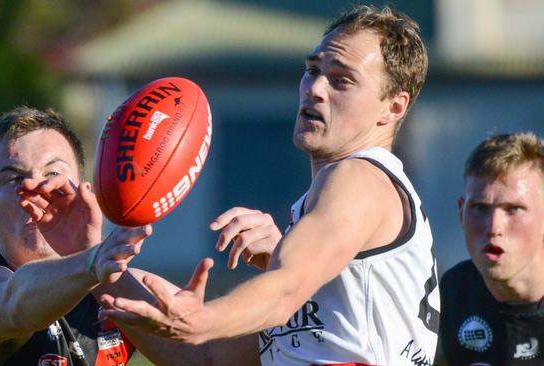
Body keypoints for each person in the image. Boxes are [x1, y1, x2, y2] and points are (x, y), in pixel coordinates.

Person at [100, 5, 440, 365]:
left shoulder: (359, 178)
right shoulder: (335, 245)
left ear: (394, 107)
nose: (315, 89)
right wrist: (94, 264)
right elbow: (210, 358)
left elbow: (285, 290)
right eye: (312, 71)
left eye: (341, 80)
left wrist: (203, 318)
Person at [0, 106, 152, 365]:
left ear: (85, 194)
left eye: (53, 174)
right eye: (14, 178)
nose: (38, 189)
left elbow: (202, 350)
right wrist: (91, 262)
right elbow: (15, 304)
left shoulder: (118, 287)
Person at [436, 133, 544, 365]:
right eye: (480, 207)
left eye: (513, 209)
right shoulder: (452, 293)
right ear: (461, 213)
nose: (493, 227)